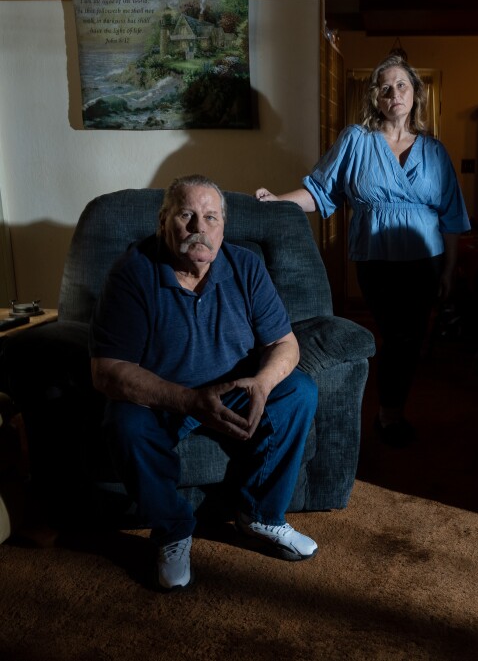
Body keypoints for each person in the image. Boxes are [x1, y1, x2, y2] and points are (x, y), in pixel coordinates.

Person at [90, 175, 319, 591]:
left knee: (299, 391)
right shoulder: (131, 274)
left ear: (223, 228)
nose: (200, 227)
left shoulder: (245, 266)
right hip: (163, 396)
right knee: (123, 422)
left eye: (211, 217)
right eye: (186, 215)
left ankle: (262, 517)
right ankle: (173, 531)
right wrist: (189, 400)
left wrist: (262, 384)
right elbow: (106, 370)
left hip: (235, 387)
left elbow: (285, 343)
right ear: (164, 222)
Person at [255, 54, 471, 447]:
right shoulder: (356, 139)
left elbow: (452, 215)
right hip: (377, 259)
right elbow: (321, 192)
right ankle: (388, 414)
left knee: (410, 337)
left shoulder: (435, 150)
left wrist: (448, 269)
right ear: (376, 97)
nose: (394, 93)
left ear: (414, 94)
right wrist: (276, 201)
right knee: (397, 335)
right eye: (385, 87)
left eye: (402, 85)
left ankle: (391, 412)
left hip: (426, 259)